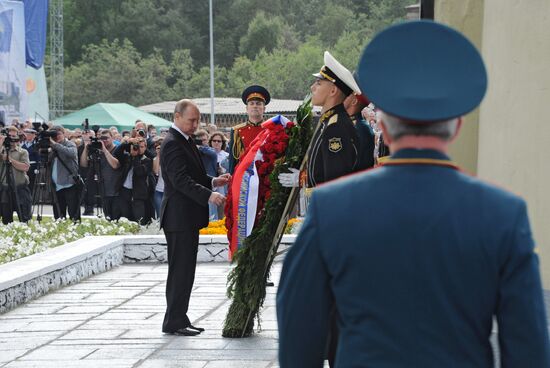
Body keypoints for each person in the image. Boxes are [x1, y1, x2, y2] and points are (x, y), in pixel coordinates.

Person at [277, 21, 550, 368]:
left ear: (385, 127)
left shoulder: (331, 209)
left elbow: (299, 331)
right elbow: (528, 348)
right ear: (457, 127)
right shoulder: (503, 214)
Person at [160, 99, 230, 336]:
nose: (195, 124)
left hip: (186, 216)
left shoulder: (185, 140)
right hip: (178, 217)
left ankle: (179, 317)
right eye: (191, 120)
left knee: (186, 270)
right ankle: (173, 321)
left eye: (197, 120)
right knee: (180, 270)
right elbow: (180, 180)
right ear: (177, 117)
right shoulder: (171, 143)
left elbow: (194, 174)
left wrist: (213, 181)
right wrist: (209, 195)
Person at [278, 51, 360, 189]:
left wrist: (305, 180)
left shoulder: (336, 127)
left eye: (319, 83)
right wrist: (307, 176)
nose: (312, 87)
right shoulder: (329, 121)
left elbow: (334, 182)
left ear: (333, 91)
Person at [227, 85, 271, 173]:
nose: (255, 106)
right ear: (247, 108)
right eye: (252, 103)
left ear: (264, 109)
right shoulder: (237, 131)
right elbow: (233, 160)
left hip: (265, 176)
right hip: (244, 177)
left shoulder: (271, 129)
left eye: (258, 104)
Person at [80, 129, 121, 220]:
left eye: (106, 138)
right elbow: (83, 164)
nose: (104, 140)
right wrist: (86, 148)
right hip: (103, 190)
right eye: (102, 139)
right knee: (108, 218)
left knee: (116, 219)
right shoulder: (97, 151)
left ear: (113, 138)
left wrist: (104, 150)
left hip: (117, 191)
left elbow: (115, 165)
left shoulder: (118, 149)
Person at [113, 136, 154, 225]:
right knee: (125, 218)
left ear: (146, 148)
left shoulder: (147, 160)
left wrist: (135, 157)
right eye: (137, 146)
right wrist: (127, 143)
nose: (138, 149)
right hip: (124, 191)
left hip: (138, 194)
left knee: (139, 219)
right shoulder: (128, 157)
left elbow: (139, 172)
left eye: (142, 147)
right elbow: (117, 152)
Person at [0, 127, 32, 223]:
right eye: (10, 136)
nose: (12, 139)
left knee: (24, 218)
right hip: (5, 189)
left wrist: (9, 159)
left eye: (14, 136)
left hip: (20, 188)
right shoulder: (1, 151)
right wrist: (1, 142)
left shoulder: (23, 152)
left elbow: (25, 167)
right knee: (6, 220)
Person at [49, 126, 81, 221]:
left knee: (73, 213)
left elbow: (71, 153)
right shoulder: (50, 146)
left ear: (64, 134)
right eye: (54, 135)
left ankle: (75, 229)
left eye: (59, 134)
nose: (57, 136)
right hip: (56, 185)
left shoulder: (70, 144)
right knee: (59, 215)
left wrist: (55, 144)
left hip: (69, 183)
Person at [343, 88, 375, 170]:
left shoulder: (361, 128)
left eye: (346, 95)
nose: (342, 97)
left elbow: (359, 165)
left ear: (354, 101)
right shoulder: (352, 124)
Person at [209, 131, 229, 218]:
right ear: (211, 142)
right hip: (210, 183)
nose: (216, 143)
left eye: (219, 141)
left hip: (222, 185)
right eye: (214, 141)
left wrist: (222, 171)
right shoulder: (206, 154)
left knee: (222, 209)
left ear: (222, 143)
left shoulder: (226, 156)